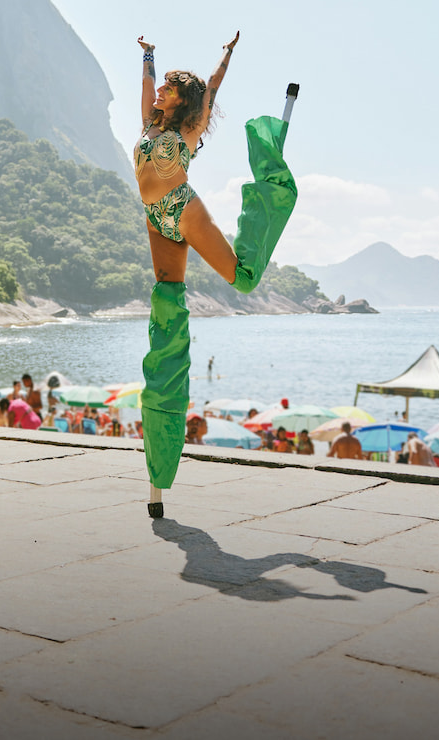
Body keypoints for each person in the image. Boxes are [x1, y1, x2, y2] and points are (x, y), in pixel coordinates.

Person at [134, 34, 297, 517]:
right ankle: (158, 475)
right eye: (161, 86)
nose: (160, 91)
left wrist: (225, 58)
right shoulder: (148, 122)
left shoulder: (188, 128)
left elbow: (214, 87)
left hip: (182, 210)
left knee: (242, 280)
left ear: (186, 101)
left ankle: (269, 193)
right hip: (154, 216)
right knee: (166, 308)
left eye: (169, 88)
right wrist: (148, 55)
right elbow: (144, 83)